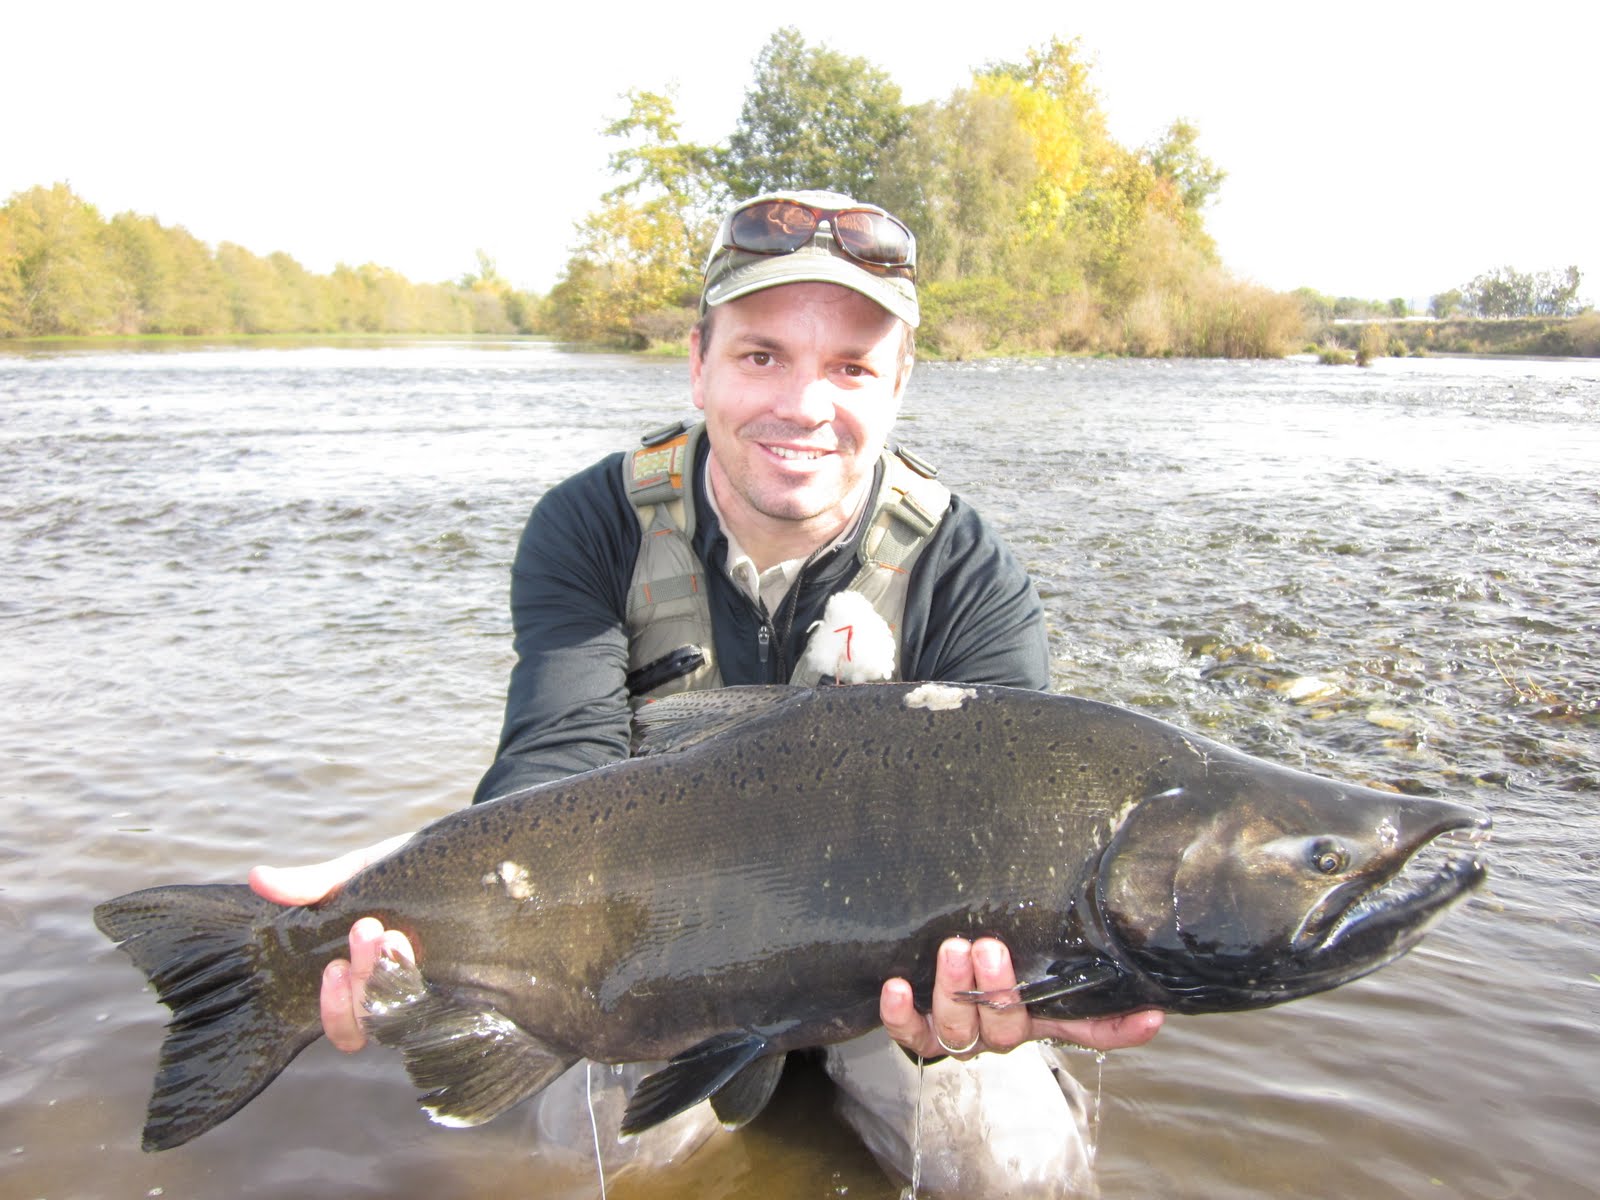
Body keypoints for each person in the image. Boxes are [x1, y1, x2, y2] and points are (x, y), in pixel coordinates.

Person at [251, 189, 1162, 1193]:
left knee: (1019, 1171)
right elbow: (555, 764)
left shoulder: (967, 571)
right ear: (698, 364)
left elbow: (1026, 836)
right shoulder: (591, 525)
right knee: (587, 1154)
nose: (803, 406)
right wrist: (403, 887)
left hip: (899, 986)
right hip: (655, 963)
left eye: (850, 368)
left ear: (899, 383)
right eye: (761, 355)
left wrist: (1025, 988)